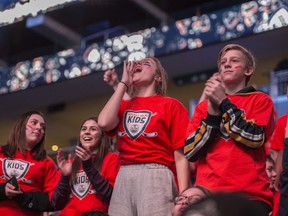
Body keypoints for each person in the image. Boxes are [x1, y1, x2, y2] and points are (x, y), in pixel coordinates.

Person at [184, 44, 275, 215]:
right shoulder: (203, 106)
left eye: (234, 61)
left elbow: (254, 138)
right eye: (223, 62)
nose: (227, 64)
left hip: (250, 195)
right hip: (208, 194)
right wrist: (212, 114)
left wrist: (224, 103)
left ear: (248, 70)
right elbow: (190, 151)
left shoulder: (260, 100)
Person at [98, 57, 191, 216]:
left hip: (156, 173)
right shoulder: (124, 105)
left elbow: (180, 155)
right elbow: (104, 122)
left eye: (146, 63)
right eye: (137, 64)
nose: (138, 64)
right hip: (124, 175)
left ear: (157, 77)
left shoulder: (171, 105)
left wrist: (184, 194)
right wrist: (122, 84)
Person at [51, 117, 119, 215]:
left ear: (102, 136)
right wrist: (65, 177)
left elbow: (112, 197)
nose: (87, 132)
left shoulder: (112, 159)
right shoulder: (70, 163)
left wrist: (88, 165)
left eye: (93, 129)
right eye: (84, 129)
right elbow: (56, 204)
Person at [0, 110, 58, 216]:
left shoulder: (47, 162)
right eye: (34, 123)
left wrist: (22, 196)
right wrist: (3, 191)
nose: (39, 128)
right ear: (20, 127)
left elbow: (52, 200)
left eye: (43, 127)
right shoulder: (0, 153)